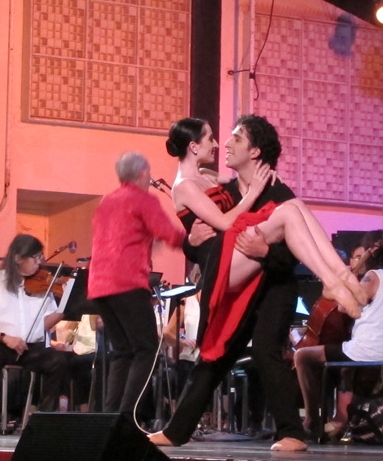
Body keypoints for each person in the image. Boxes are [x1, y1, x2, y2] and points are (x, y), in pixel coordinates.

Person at [152, 115, 362, 451]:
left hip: (272, 281)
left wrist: (266, 251)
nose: (223, 144)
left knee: (264, 351)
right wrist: (191, 239)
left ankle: (291, 432)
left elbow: (292, 253)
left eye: (235, 138)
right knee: (215, 356)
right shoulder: (220, 188)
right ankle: (178, 430)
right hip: (231, 275)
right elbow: (207, 230)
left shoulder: (271, 188)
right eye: (214, 139)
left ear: (255, 152)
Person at [88, 152, 186, 422]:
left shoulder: (107, 200)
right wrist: (194, 237)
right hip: (127, 282)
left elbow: (119, 237)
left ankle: (110, 416)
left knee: (122, 352)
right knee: (146, 350)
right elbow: (170, 233)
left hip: (99, 285)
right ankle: (126, 416)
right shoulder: (143, 199)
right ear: (143, 173)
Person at [294, 230, 383, 442]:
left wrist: (340, 281)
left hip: (369, 351)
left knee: (303, 356)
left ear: (370, 252)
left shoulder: (373, 276)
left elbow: (345, 306)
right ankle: (333, 419)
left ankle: (311, 420)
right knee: (332, 356)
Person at [0, 234, 68, 435]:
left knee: (59, 361)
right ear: (19, 258)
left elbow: (43, 324)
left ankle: (44, 419)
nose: (40, 263)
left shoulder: (43, 284)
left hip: (32, 348)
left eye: (40, 258)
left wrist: (64, 308)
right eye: (35, 258)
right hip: (1, 344)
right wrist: (4, 337)